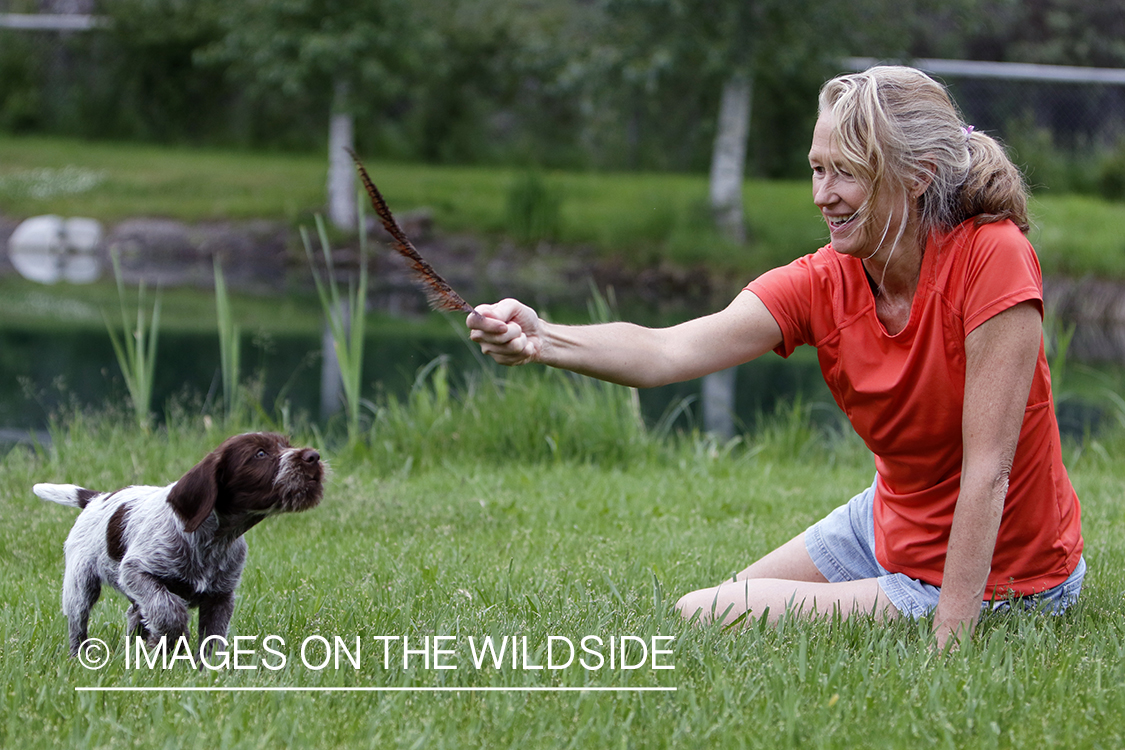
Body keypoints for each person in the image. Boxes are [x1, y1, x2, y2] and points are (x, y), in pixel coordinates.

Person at [466, 66, 1084, 650]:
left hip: (1008, 571)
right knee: (727, 603)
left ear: (917, 175)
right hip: (891, 519)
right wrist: (543, 338)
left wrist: (951, 642)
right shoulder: (825, 280)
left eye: (844, 173)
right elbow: (667, 349)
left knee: (709, 612)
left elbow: (989, 471)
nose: (822, 195)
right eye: (816, 170)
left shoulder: (991, 257)